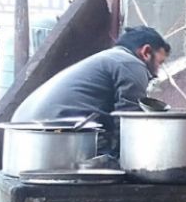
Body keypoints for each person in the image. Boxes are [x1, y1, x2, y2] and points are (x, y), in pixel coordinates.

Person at [13, 26, 171, 155]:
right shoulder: (130, 64)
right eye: (160, 62)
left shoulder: (109, 59)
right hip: (51, 136)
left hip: (21, 138)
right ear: (146, 52)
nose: (157, 72)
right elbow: (129, 123)